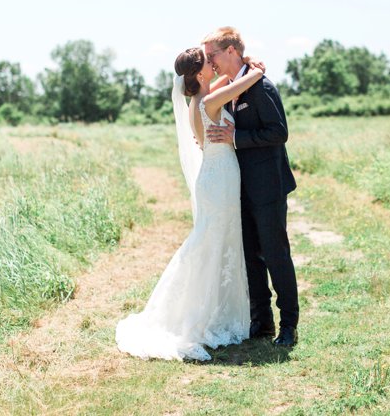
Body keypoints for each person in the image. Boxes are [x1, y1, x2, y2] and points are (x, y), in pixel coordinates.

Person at [115, 47, 265, 361]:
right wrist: (256, 72)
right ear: (199, 75)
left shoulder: (199, 99)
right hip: (219, 180)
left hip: (216, 177)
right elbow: (237, 84)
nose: (213, 65)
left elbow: (224, 80)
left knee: (216, 241)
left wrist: (231, 68)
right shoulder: (209, 101)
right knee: (211, 243)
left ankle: (215, 308)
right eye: (208, 64)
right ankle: (204, 314)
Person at [203, 27, 299, 347]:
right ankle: (262, 323)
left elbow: (278, 132)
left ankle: (289, 325)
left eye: (213, 54)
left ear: (231, 51)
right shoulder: (233, 86)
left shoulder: (262, 87)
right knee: (250, 257)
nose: (210, 61)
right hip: (239, 189)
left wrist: (235, 139)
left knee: (275, 255)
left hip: (268, 186)